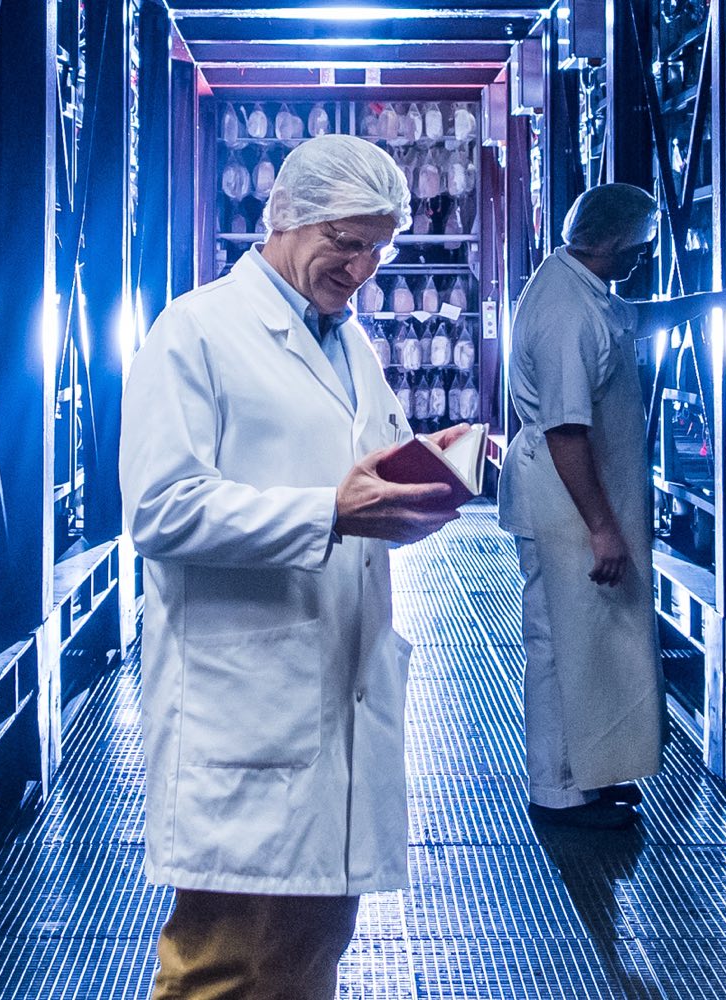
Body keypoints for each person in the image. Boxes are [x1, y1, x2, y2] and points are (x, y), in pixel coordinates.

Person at [121, 134, 471, 999]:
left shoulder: (347, 343)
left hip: (337, 697)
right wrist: (328, 512)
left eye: (379, 248)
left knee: (307, 955)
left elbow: (368, 474)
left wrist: (419, 492)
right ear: (285, 219)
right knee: (224, 966)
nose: (361, 267)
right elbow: (159, 509)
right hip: (246, 707)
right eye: (345, 242)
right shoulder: (195, 332)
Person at [501, 183, 726, 830]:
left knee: (590, 645)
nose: (642, 261)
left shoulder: (584, 286)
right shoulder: (565, 311)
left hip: (580, 501)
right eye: (640, 250)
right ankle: (558, 793)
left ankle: (588, 777)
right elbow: (566, 429)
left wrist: (715, 302)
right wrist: (602, 529)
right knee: (561, 646)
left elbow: (634, 320)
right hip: (564, 505)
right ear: (611, 242)